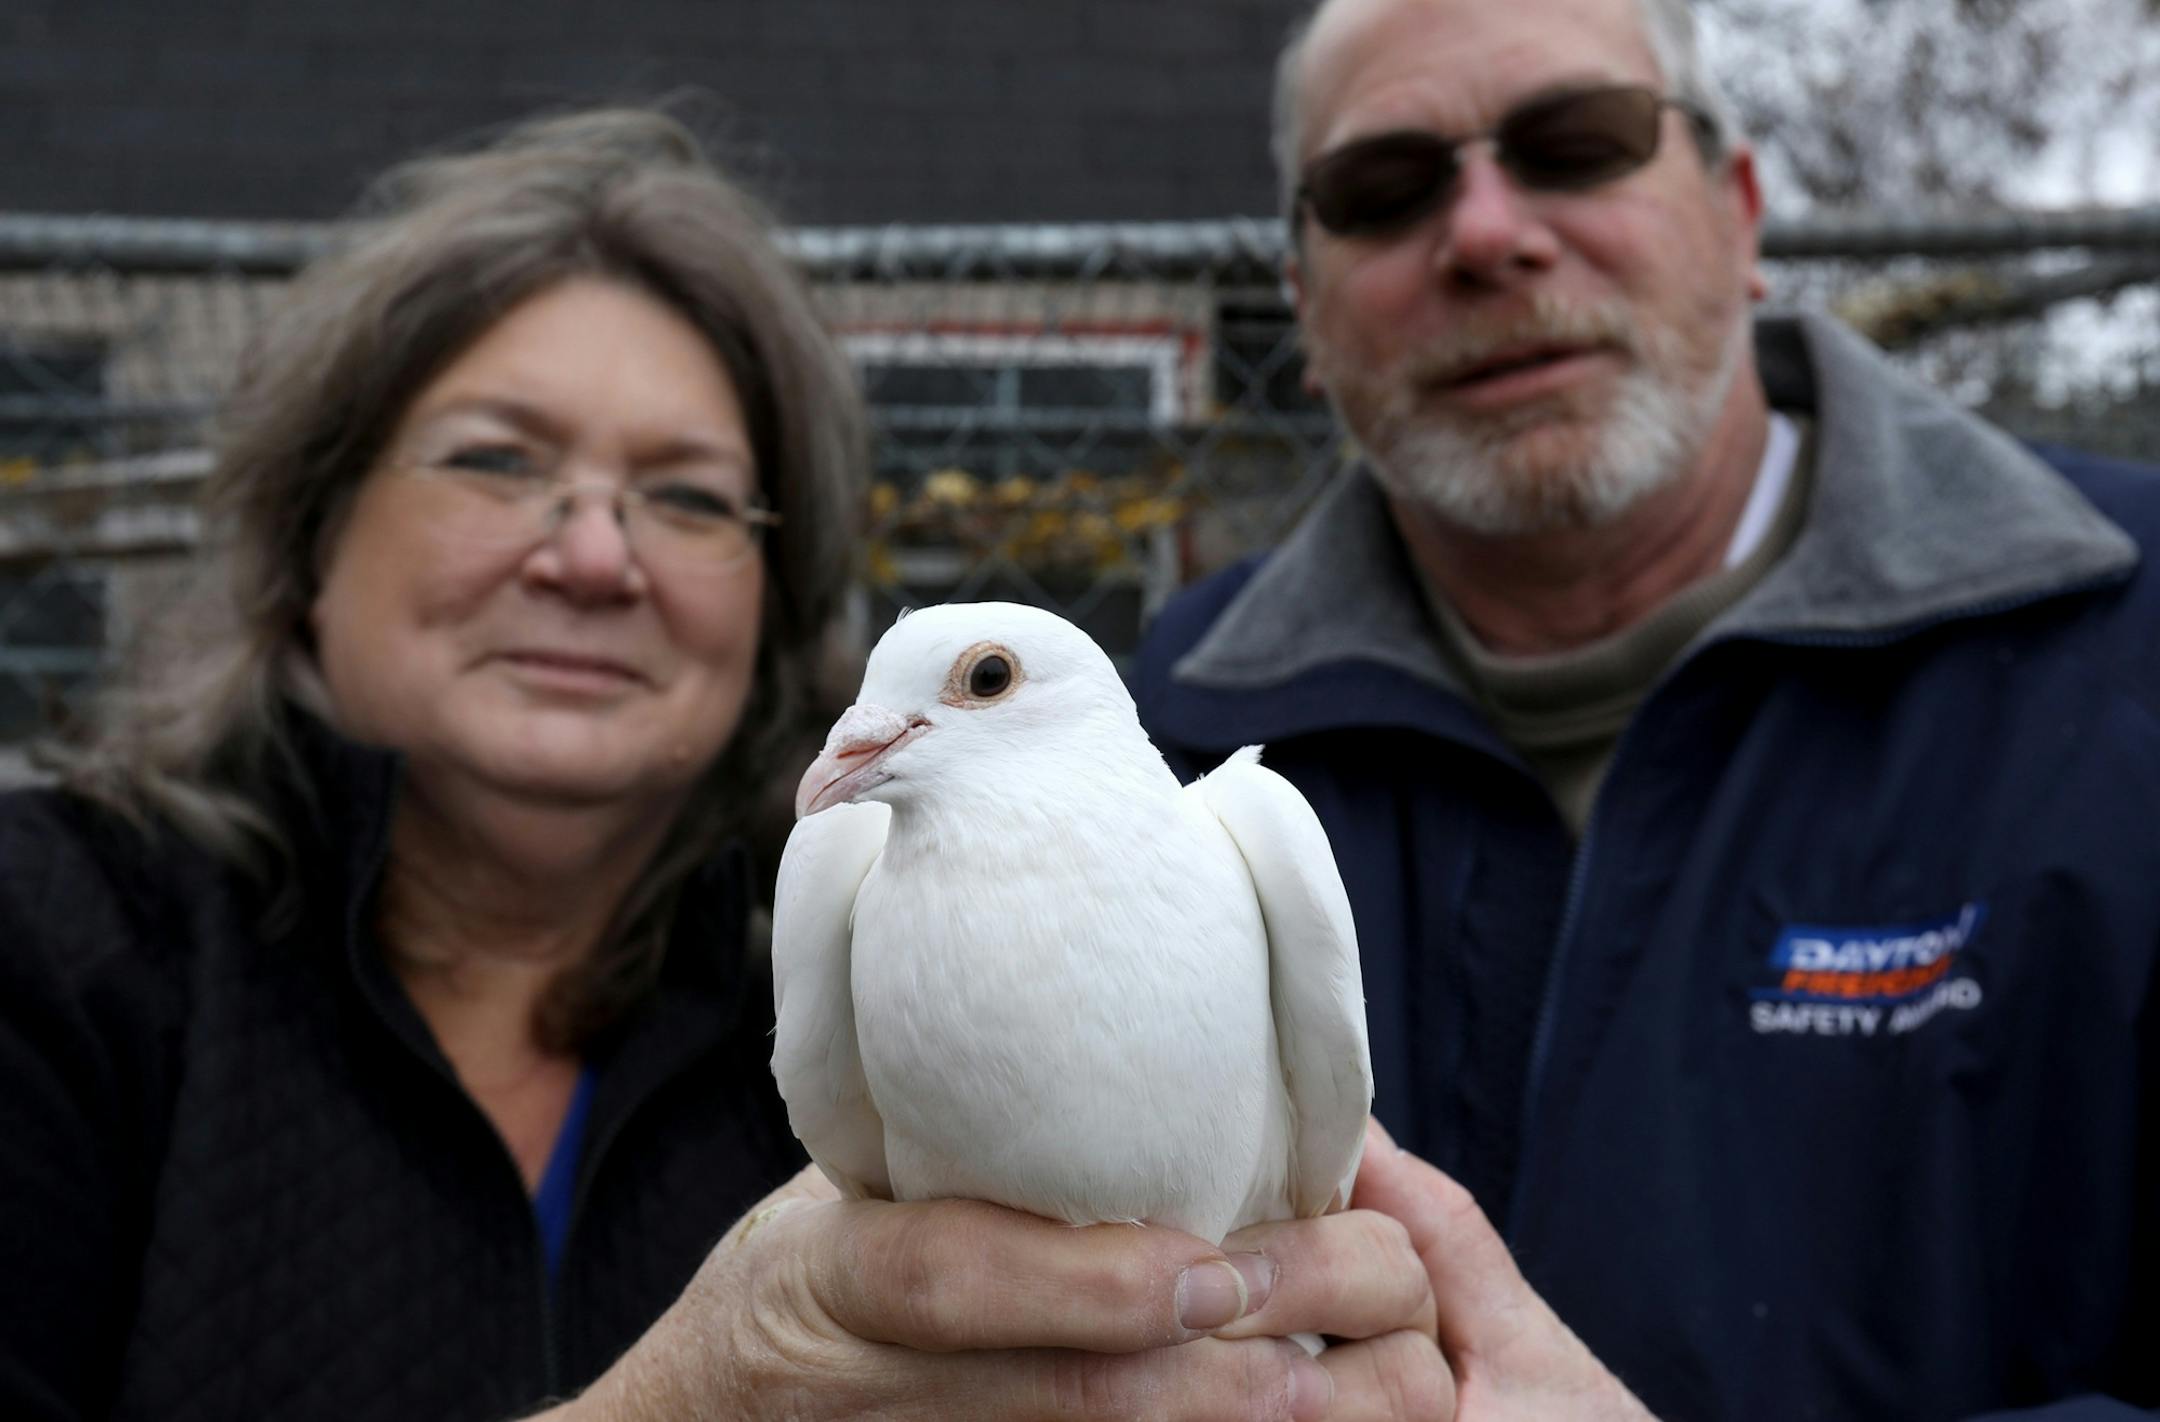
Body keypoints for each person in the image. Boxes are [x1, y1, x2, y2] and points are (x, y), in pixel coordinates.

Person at [0, 107, 1449, 1421]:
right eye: (500, 461)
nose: (590, 555)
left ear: (771, 593)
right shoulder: (51, 949)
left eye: (687, 496)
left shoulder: (826, 956)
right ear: (316, 525)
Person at [1132, 0, 2160, 1417]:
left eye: (1576, 144)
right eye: (1383, 190)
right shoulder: (1160, 756)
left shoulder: (2130, 656)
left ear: (1740, 217)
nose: (1487, 233)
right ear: (1305, 310)